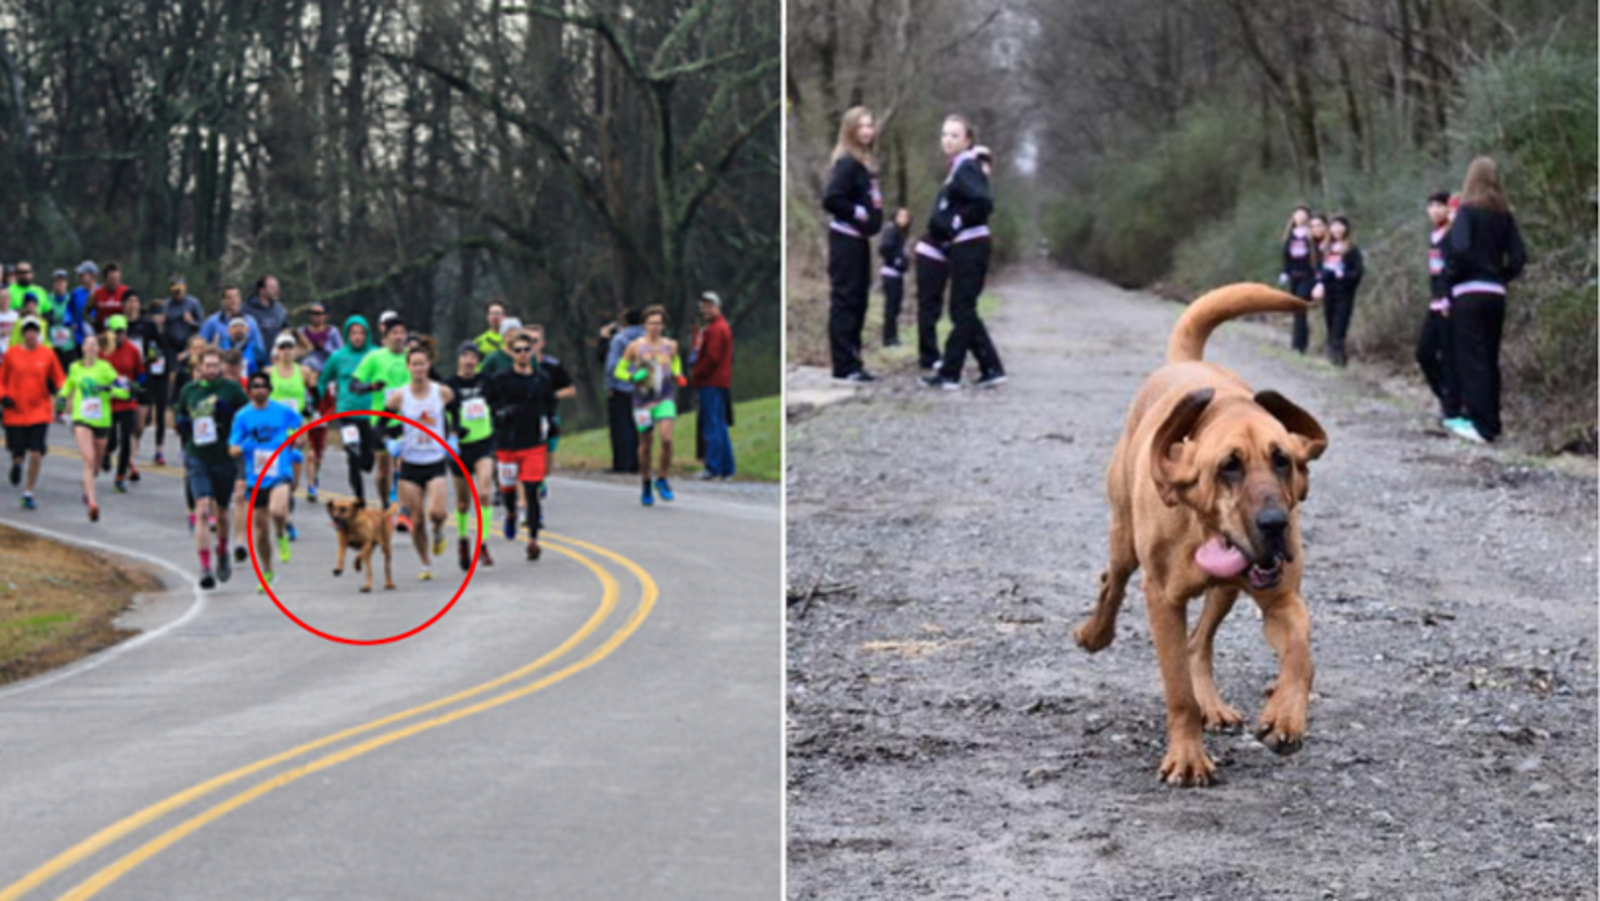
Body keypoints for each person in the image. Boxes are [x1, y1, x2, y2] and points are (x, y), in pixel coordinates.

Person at [1444, 156, 1526, 444]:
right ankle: (1493, 423)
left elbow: (1460, 249)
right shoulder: (1505, 215)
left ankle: (1481, 426)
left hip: (1469, 293)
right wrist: (1500, 277)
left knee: (1472, 360)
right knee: (1490, 358)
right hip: (1495, 295)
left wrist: (1454, 276)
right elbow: (1519, 257)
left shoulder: (1467, 211)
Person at [919, 117, 1005, 389]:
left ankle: (950, 371)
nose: (948, 140)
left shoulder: (967, 166)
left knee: (961, 309)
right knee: (963, 308)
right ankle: (991, 367)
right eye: (944, 134)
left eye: (955, 135)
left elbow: (983, 201)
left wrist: (955, 220)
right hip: (964, 245)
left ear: (968, 140)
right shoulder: (959, 167)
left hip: (971, 244)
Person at [174, 347, 249, 589]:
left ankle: (223, 550)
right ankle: (205, 567)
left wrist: (230, 413)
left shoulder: (231, 389)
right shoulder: (190, 391)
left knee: (222, 511)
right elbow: (178, 415)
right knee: (203, 510)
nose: (212, 370)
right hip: (197, 456)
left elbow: (248, 415)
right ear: (201, 367)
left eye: (216, 366)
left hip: (223, 457)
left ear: (221, 367)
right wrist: (183, 424)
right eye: (207, 366)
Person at [822, 105, 884, 384]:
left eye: (870, 126)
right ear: (850, 130)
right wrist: (858, 213)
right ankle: (843, 364)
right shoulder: (846, 163)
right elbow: (832, 198)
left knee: (859, 300)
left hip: (860, 241)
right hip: (845, 239)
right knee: (845, 299)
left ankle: (854, 360)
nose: (867, 131)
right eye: (861, 126)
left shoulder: (865, 164)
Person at [485, 329, 559, 560]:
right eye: (518, 350)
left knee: (531, 490)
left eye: (527, 350)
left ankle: (533, 540)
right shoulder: (501, 379)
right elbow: (489, 403)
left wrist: (552, 424)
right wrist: (500, 413)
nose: (523, 354)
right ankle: (510, 513)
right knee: (507, 489)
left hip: (533, 443)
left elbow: (551, 405)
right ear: (511, 353)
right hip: (507, 443)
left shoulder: (542, 379)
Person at [384, 339, 454, 580]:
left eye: (422, 364)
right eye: (414, 364)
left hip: (435, 460)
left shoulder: (441, 392)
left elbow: (458, 413)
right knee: (416, 518)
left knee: (436, 512)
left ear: (428, 364)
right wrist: (390, 442)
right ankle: (425, 562)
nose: (419, 369)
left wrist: (453, 436)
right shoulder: (399, 397)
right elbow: (380, 424)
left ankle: (439, 530)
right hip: (411, 463)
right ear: (408, 366)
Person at [229, 371, 304, 591]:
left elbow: (300, 428)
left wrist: (298, 440)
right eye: (255, 386)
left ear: (269, 389)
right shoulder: (242, 416)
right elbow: (232, 447)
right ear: (249, 390)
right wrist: (244, 447)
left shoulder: (282, 411)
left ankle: (281, 534)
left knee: (278, 512)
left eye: (263, 386)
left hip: (279, 470)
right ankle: (267, 571)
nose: (259, 389)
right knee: (260, 532)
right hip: (255, 476)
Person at [615, 305, 682, 506]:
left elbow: (676, 362)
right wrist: (632, 376)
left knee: (667, 439)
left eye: (659, 323)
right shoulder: (635, 347)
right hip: (642, 400)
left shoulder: (671, 345)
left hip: (665, 398)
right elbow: (618, 370)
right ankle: (646, 481)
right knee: (645, 445)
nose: (655, 327)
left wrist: (678, 375)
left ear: (663, 325)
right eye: (651, 323)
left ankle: (662, 478)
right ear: (644, 325)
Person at [58, 333, 129, 522]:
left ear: (98, 350)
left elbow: (124, 391)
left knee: (96, 464)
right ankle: (92, 503)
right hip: (81, 417)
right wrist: (61, 398)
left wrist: (110, 390)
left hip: (102, 420)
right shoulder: (75, 368)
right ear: (82, 348)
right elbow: (67, 386)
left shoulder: (105, 369)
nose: (90, 348)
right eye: (87, 345)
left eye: (93, 345)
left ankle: (88, 486)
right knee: (87, 459)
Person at [350, 316, 412, 524]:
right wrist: (370, 387)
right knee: (382, 471)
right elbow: (354, 385)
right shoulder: (374, 357)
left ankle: (403, 507)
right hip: (380, 420)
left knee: (403, 463)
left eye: (402, 333)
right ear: (385, 337)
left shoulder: (411, 357)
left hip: (406, 419)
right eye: (395, 333)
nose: (399, 337)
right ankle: (386, 502)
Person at [0, 316, 66, 509]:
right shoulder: (12, 355)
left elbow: (60, 378)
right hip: (15, 412)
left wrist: (59, 392)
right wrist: (3, 396)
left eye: (34, 331)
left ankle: (28, 492)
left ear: (39, 333)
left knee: (36, 452)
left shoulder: (47, 354)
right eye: (28, 331)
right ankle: (17, 464)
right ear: (23, 334)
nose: (31, 335)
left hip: (40, 411)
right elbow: (1, 380)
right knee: (17, 451)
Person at [445, 341, 497, 570]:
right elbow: (439, 413)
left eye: (473, 357)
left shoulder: (486, 382)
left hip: (483, 442)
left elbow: (497, 403)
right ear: (459, 359)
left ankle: (482, 544)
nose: (469, 361)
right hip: (459, 448)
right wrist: (452, 433)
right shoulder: (449, 385)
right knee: (464, 502)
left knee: (484, 493)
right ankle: (463, 539)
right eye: (465, 356)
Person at [321, 314, 376, 503]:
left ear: (367, 334)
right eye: (353, 333)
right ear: (347, 335)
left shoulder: (375, 355)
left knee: (367, 460)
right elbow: (323, 381)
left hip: (370, 413)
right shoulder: (338, 357)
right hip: (346, 412)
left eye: (361, 333)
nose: (357, 337)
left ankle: (365, 461)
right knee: (354, 455)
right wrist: (316, 403)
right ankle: (360, 499)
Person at [1416, 192, 1460, 426]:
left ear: (1448, 209)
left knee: (1450, 356)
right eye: (1430, 206)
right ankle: (1445, 396)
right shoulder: (1434, 235)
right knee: (1424, 353)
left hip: (1450, 305)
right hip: (1435, 302)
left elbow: (1453, 270)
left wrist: (1448, 298)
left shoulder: (1453, 235)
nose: (1434, 210)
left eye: (1439, 206)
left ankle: (1452, 407)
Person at [269, 333, 318, 538]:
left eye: (290, 347)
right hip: (275, 433)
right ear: (277, 351)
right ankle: (286, 520)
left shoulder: (303, 372)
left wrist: (306, 427)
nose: (287, 351)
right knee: (279, 477)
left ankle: (286, 513)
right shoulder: (269, 373)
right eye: (283, 347)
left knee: (293, 482)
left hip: (296, 432)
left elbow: (311, 400)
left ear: (296, 350)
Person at [691, 291, 735, 480]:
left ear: (718, 307)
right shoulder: (721, 327)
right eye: (703, 307)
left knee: (712, 424)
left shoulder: (715, 330)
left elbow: (712, 357)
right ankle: (727, 467)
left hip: (711, 382)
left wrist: (697, 373)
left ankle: (713, 466)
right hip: (721, 381)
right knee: (720, 424)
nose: (705, 310)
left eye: (709, 306)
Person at [124, 293, 170, 465]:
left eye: (163, 314)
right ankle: (128, 448)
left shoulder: (163, 328)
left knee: (158, 413)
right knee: (137, 416)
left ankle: (158, 449)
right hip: (139, 374)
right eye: (158, 313)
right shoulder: (138, 325)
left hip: (159, 375)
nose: (161, 317)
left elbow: (168, 347)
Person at [102, 313, 146, 492]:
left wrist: (137, 385)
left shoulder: (133, 350)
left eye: (122, 332)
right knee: (111, 438)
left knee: (126, 438)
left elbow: (141, 372)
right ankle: (106, 451)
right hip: (108, 400)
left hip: (127, 400)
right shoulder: (103, 350)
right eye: (116, 332)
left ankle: (120, 476)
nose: (119, 336)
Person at [1319, 216, 1364, 368]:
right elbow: (1321, 270)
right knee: (1330, 324)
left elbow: (1358, 272)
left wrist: (1343, 275)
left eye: (1340, 226)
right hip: (1329, 292)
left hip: (1344, 293)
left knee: (1340, 326)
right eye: (1334, 226)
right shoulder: (1326, 248)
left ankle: (1338, 360)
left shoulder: (1352, 249)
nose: (1337, 229)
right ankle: (1333, 356)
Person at [604, 308, 645, 473]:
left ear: (625, 322)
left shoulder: (620, 339)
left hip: (622, 387)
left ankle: (622, 462)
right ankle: (637, 462)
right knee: (639, 426)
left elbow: (612, 366)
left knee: (622, 426)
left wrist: (610, 385)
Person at [1279, 204, 1320, 353]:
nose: (1300, 217)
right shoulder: (1290, 235)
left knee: (1301, 305)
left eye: (1303, 214)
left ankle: (1300, 345)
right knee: (1296, 309)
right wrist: (1284, 272)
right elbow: (1285, 256)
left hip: (1307, 277)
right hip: (1293, 277)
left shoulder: (1311, 236)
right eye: (1297, 214)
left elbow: (1317, 255)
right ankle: (1297, 343)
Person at [200, 286, 266, 369]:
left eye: (236, 296)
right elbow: (200, 345)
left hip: (248, 368)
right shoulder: (212, 322)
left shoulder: (250, 322)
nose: (233, 300)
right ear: (223, 301)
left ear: (240, 299)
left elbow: (260, 347)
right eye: (229, 297)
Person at [879, 208, 911, 347]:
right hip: (890, 273)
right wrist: (896, 260)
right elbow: (884, 248)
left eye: (906, 216)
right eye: (901, 216)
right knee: (891, 307)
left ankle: (893, 337)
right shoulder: (891, 230)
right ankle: (888, 338)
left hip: (897, 274)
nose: (904, 219)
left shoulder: (901, 233)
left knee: (896, 307)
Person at [62, 261, 99, 366]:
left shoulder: (100, 291)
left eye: (82, 275)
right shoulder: (76, 292)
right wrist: (68, 321)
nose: (79, 277)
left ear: (92, 275)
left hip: (97, 338)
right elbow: (69, 309)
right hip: (80, 339)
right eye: (79, 275)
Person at [243, 275, 288, 349]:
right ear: (261, 290)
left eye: (277, 287)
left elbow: (287, 330)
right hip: (254, 357)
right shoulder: (246, 309)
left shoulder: (280, 309)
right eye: (272, 287)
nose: (276, 290)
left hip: (275, 357)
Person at [88, 263, 129, 332]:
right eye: (112, 279)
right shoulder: (96, 293)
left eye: (117, 279)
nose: (115, 282)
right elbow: (85, 313)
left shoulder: (126, 292)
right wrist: (94, 324)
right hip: (102, 332)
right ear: (105, 278)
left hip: (121, 333)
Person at [46, 270, 76, 364]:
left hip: (69, 346)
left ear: (66, 283)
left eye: (62, 281)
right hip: (52, 347)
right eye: (57, 281)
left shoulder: (71, 300)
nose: (60, 284)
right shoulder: (47, 300)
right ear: (53, 283)